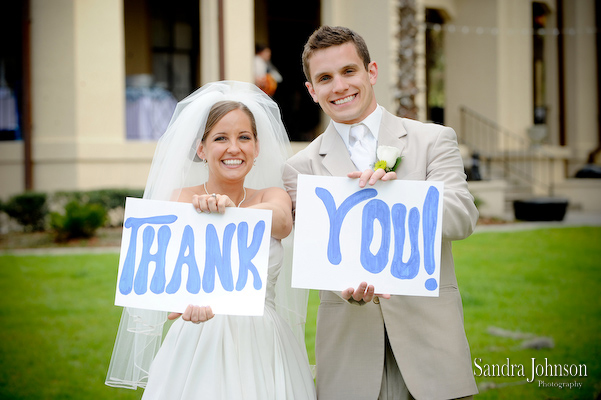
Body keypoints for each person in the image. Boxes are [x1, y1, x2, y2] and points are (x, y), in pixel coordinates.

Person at [283, 26, 479, 400]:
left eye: (348, 71)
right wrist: (344, 290)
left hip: (432, 346)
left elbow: (462, 218)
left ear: (371, 72)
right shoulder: (299, 168)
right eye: (324, 78)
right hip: (349, 355)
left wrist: (401, 196)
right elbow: (316, 255)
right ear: (312, 91)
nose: (338, 86)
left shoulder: (433, 139)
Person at [106, 81, 316, 400]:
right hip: (198, 338)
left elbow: (283, 222)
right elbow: (164, 277)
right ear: (202, 149)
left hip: (263, 341)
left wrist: (234, 213)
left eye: (244, 137)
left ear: (257, 148)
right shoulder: (179, 201)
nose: (234, 148)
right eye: (221, 138)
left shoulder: (272, 195)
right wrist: (180, 306)